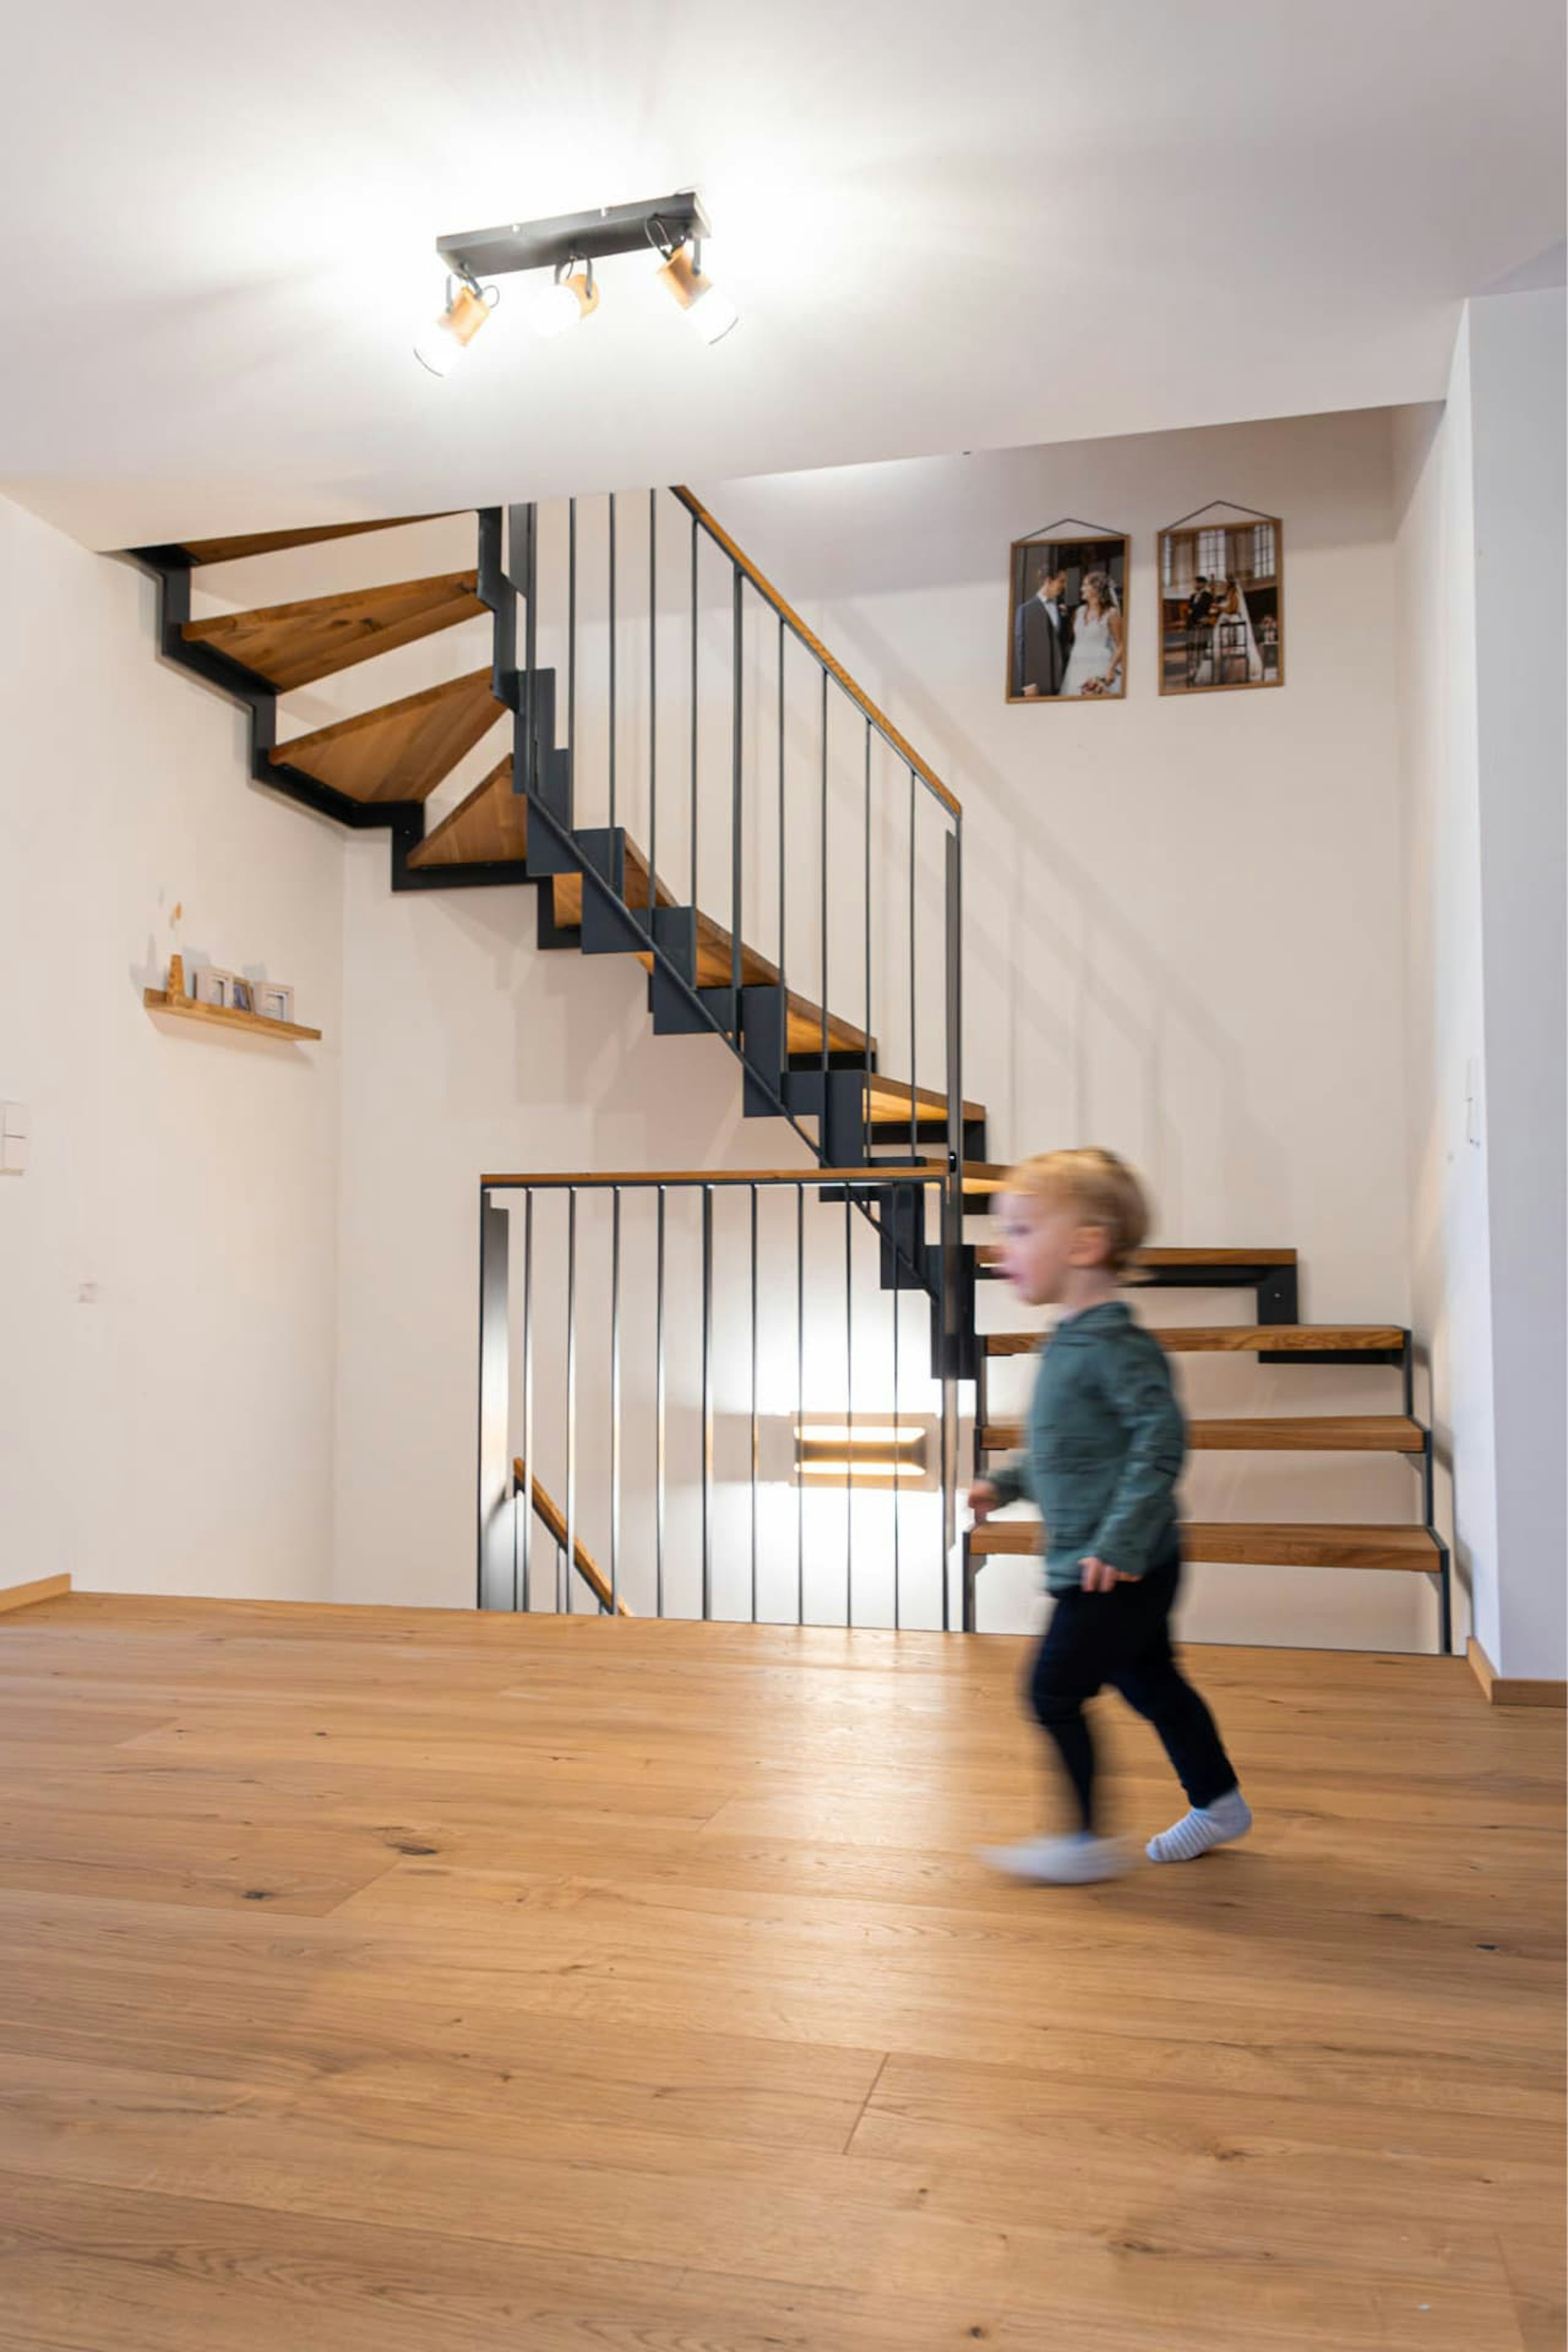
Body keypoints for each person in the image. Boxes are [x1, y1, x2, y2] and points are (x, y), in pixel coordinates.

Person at [969, 1148, 1250, 1884]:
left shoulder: (1120, 1347)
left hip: (1122, 1564)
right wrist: (1003, 1486)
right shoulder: (1068, 1342)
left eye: (1023, 1231)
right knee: (1152, 1683)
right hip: (1108, 1560)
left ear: (1086, 1244)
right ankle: (1219, 1804)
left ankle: (1084, 1841)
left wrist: (1121, 1542)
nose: (1004, 1251)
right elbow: (1068, 1453)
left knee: (1051, 1691)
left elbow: (1162, 1442)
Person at [1058, 569, 1124, 697]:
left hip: (1100, 666)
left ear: (1096, 589)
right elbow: (1071, 638)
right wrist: (1064, 616)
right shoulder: (1079, 612)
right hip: (1076, 666)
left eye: (1085, 585)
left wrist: (1111, 670)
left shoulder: (1111, 614)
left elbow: (1121, 645)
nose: (1082, 589)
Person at [1013, 563, 1074, 697]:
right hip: (1039, 682)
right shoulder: (1026, 610)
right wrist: (1029, 684)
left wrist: (1066, 618)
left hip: (1062, 681)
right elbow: (1022, 649)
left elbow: (1065, 642)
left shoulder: (1060, 609)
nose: (1064, 586)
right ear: (1048, 581)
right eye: (1062, 582)